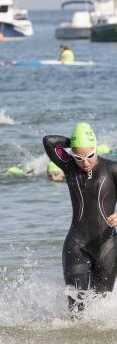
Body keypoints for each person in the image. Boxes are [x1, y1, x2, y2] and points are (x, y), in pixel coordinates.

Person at [42, 123, 117, 314]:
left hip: (107, 246)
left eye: (90, 155)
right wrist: (74, 142)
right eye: (79, 157)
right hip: (76, 245)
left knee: (100, 306)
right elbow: (49, 142)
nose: (85, 162)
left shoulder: (112, 169)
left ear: (96, 148)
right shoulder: (69, 167)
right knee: (76, 306)